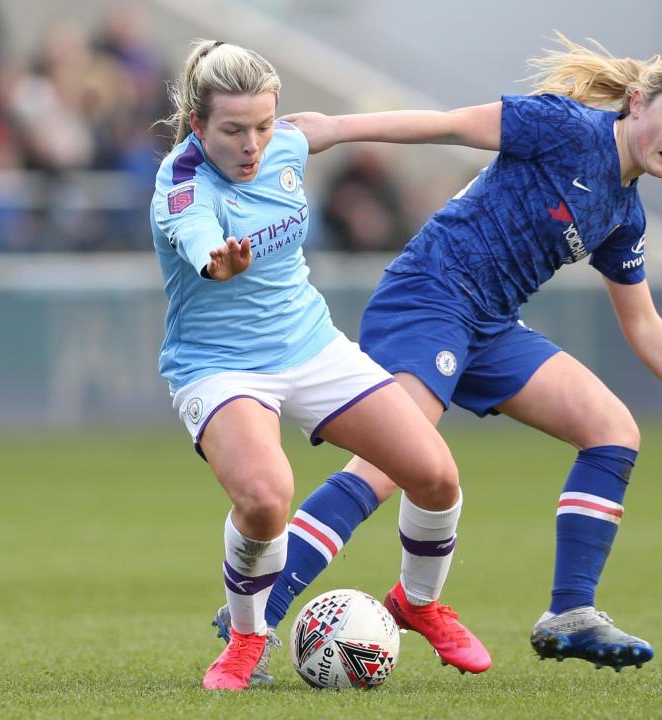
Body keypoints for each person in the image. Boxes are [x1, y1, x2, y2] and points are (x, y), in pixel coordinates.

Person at [214, 32, 662, 678]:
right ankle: (255, 613)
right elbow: (447, 126)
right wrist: (336, 127)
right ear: (636, 103)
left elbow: (641, 321)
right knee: (391, 467)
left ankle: (569, 614)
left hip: (491, 326)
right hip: (429, 296)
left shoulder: (624, 213)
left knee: (613, 432)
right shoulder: (563, 126)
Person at [150, 40, 491, 691]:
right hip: (220, 366)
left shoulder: (289, 140)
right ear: (197, 125)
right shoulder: (182, 183)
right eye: (232, 130)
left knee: (435, 476)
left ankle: (417, 602)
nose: (252, 144)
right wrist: (220, 262)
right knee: (264, 498)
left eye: (262, 126)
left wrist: (472, 127)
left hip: (309, 345)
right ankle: (248, 639)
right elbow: (201, 247)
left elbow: (383, 124)